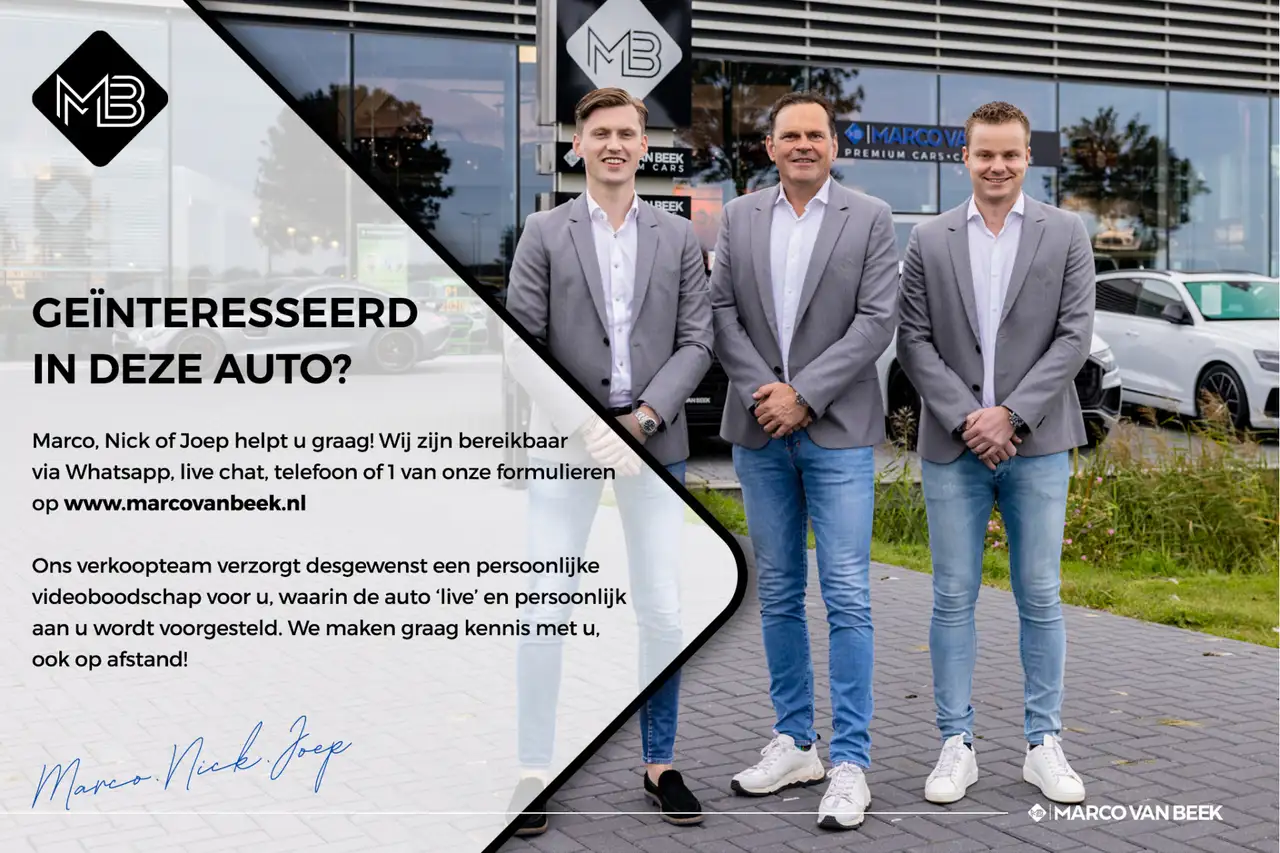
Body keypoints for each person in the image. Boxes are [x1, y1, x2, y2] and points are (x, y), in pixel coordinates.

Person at [501, 86, 713, 835]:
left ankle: (660, 764)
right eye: (601, 133)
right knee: (543, 607)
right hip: (568, 449)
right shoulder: (543, 231)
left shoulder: (677, 237)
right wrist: (588, 425)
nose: (615, 144)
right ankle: (535, 767)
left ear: (643, 145)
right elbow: (520, 343)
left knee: (661, 608)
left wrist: (643, 419)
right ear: (579, 144)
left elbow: (698, 341)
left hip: (657, 446)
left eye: (627, 133)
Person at [896, 101, 1094, 807]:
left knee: (1040, 594)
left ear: (1027, 157)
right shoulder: (929, 238)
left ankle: (1044, 743)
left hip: (1038, 444)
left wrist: (1010, 416)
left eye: (1010, 153)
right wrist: (968, 419)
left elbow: (1073, 335)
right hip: (953, 447)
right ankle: (957, 743)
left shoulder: (1066, 232)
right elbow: (913, 339)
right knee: (952, 597)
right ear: (966, 158)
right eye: (985, 153)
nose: (998, 165)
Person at [710, 90, 899, 831]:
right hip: (759, 429)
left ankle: (850, 759)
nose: (803, 145)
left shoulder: (870, 217)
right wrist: (769, 393)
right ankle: (795, 741)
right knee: (779, 591)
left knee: (847, 594)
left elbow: (876, 320)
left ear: (833, 144)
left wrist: (806, 395)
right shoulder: (738, 216)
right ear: (770, 147)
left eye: (815, 134)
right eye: (789, 135)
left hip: (837, 431)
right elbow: (720, 312)